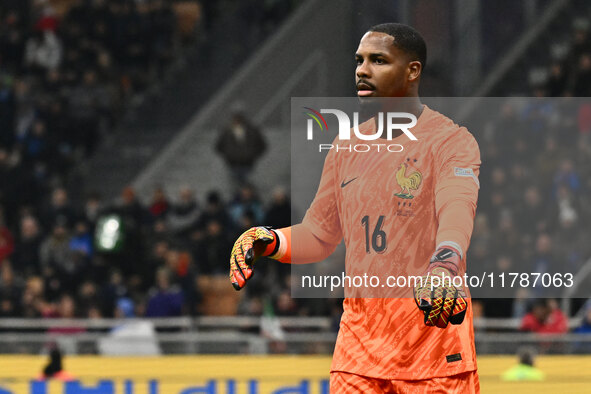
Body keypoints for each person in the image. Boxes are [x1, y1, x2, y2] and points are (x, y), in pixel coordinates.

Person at [228, 23, 481, 392]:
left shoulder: (452, 142)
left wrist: (444, 264)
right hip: (358, 354)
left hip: (433, 350)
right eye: (359, 60)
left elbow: (457, 207)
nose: (362, 69)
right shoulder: (345, 148)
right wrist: (270, 241)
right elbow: (319, 234)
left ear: (413, 71)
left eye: (378, 60)